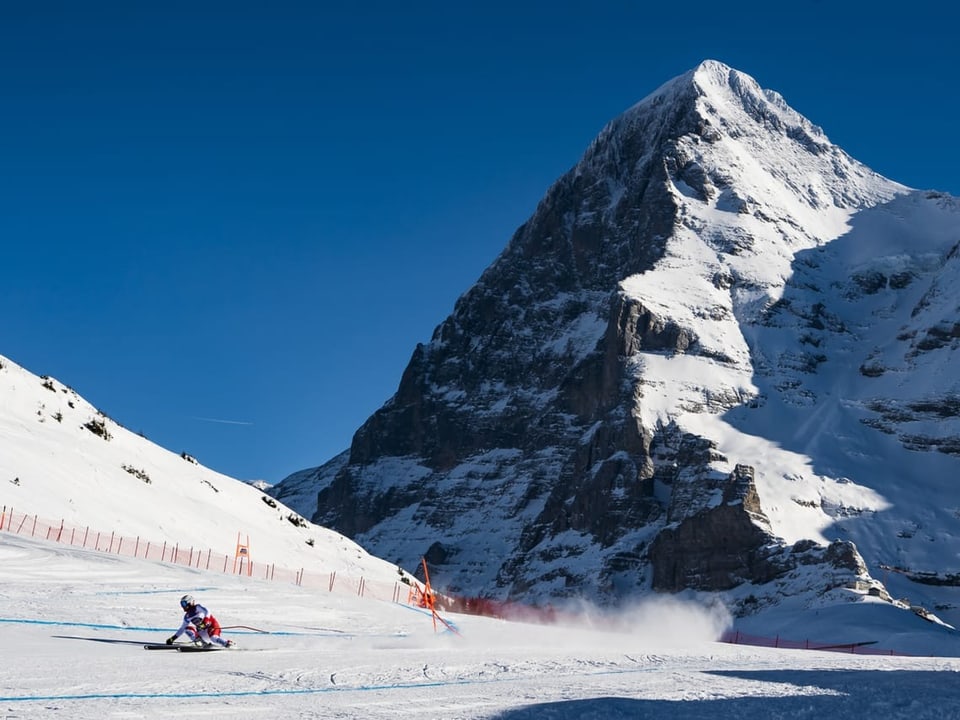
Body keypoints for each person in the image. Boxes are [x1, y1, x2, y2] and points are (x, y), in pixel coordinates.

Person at [165, 594, 235, 648]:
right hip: (202, 631)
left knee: (214, 638)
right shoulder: (187, 616)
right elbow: (182, 628)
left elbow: (207, 611)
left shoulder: (197, 607)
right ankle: (201, 642)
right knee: (187, 629)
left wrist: (206, 620)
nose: (183, 606)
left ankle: (227, 643)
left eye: (184, 603)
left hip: (212, 627)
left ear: (190, 602)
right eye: (181, 604)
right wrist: (173, 638)